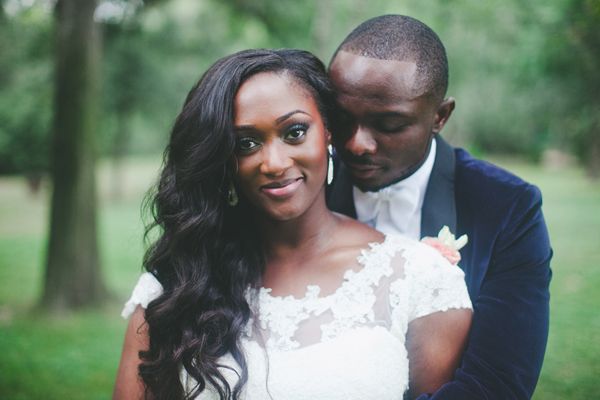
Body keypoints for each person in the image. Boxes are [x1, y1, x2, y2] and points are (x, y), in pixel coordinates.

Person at [113, 48, 472, 400]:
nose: (274, 163)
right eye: (246, 143)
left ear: (328, 131)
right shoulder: (176, 286)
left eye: (295, 132)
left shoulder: (418, 277)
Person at [326, 15, 553, 399]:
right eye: (341, 118)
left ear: (440, 117)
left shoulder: (508, 207)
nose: (356, 144)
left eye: (389, 124)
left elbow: (497, 385)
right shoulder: (303, 188)